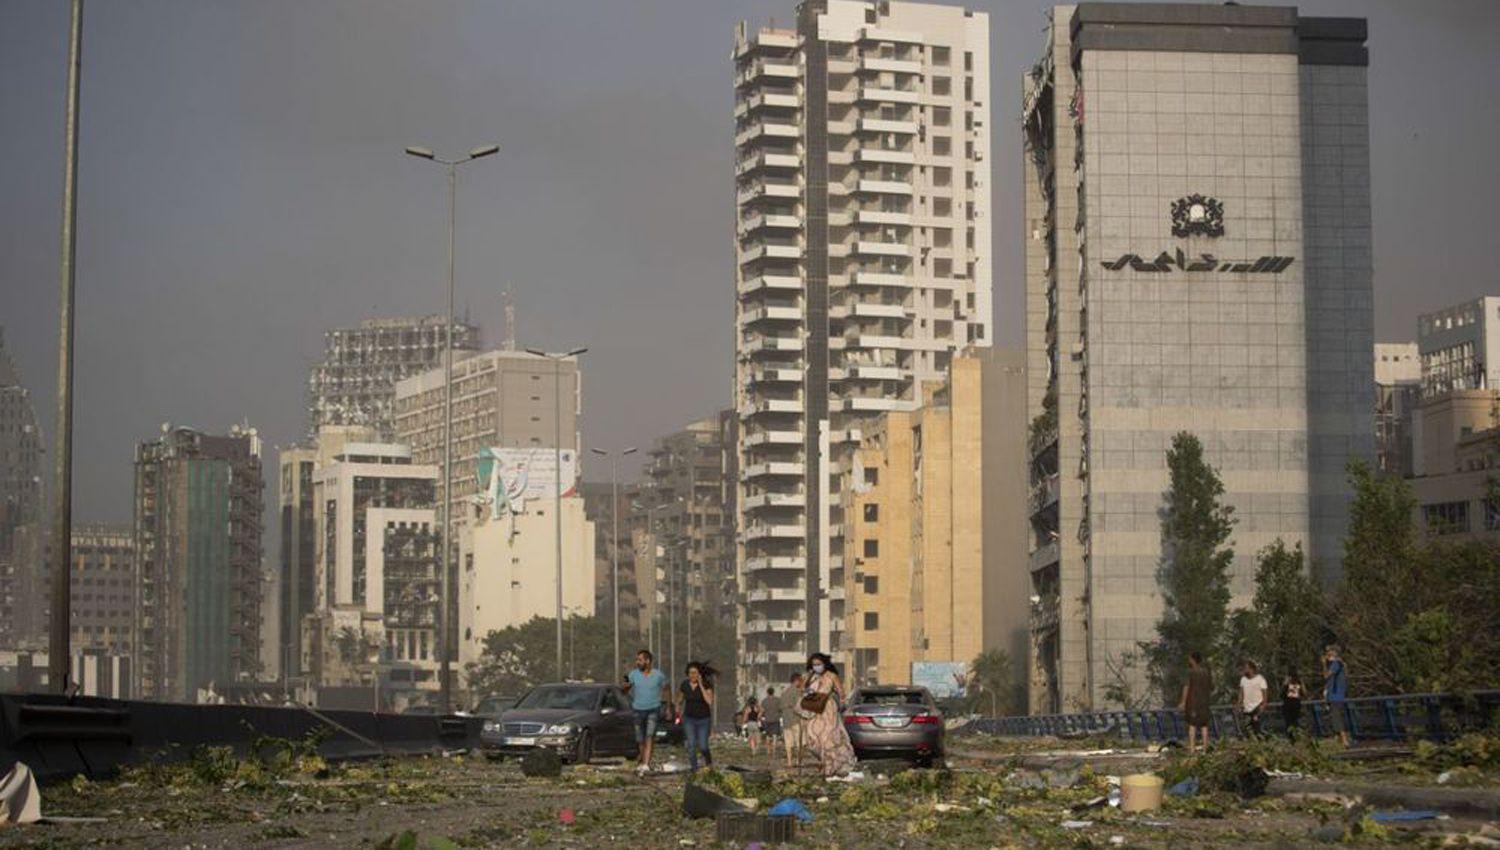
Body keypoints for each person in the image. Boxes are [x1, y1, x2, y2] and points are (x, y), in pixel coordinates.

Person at [801, 653, 857, 778]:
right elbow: (802, 689)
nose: (816, 667)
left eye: (818, 664)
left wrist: (840, 702)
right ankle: (824, 762)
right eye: (814, 664)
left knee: (829, 738)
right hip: (814, 709)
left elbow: (841, 693)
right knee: (813, 738)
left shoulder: (832, 676)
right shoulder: (810, 677)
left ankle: (830, 766)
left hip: (828, 709)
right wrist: (807, 691)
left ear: (824, 664)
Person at [622, 649, 670, 774]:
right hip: (637, 709)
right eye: (637, 660)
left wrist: (668, 706)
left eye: (640, 660)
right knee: (640, 738)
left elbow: (666, 689)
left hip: (653, 709)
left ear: (647, 661)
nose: (637, 662)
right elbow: (625, 690)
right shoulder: (633, 674)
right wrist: (625, 687)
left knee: (649, 735)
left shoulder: (658, 675)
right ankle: (643, 760)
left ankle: (646, 763)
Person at [676, 661, 716, 772]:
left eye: (695, 673)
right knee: (691, 745)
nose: (692, 675)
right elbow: (680, 698)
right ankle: (694, 769)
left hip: (703, 719)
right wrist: (677, 707)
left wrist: (701, 684)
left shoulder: (706, 684)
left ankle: (709, 762)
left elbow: (709, 701)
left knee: (703, 746)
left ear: (699, 674)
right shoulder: (684, 684)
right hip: (689, 719)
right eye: (690, 673)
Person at [1178, 651, 1212, 753]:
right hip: (1205, 702)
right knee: (1204, 725)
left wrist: (1183, 701)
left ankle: (1192, 749)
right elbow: (1210, 687)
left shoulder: (1190, 672)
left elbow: (1186, 687)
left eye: (1189, 659)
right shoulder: (1206, 672)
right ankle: (1205, 749)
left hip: (1193, 702)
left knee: (1192, 725)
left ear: (1193, 660)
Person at [1323, 645, 1350, 746]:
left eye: (1329, 652)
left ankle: (1344, 740)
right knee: (1335, 717)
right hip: (1335, 694)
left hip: (1336, 695)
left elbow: (1326, 675)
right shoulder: (1341, 664)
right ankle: (1340, 741)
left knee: (1336, 717)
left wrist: (1324, 664)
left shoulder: (1336, 663)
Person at [781, 673, 805, 769]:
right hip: (796, 720)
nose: (802, 683)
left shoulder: (784, 692)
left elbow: (781, 706)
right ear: (797, 681)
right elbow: (799, 706)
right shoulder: (797, 691)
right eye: (801, 680)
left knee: (788, 743)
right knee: (800, 743)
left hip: (786, 720)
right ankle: (799, 761)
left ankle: (789, 762)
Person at [1238, 660, 1268, 738]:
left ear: (1251, 669)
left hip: (1257, 707)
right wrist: (1239, 704)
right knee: (1247, 730)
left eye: (1246, 668)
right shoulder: (1243, 679)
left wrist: (1263, 707)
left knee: (1258, 730)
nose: (1244, 669)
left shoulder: (1260, 679)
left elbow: (1265, 695)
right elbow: (1241, 693)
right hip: (1247, 708)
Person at [1281, 671, 1305, 741]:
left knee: (1295, 722)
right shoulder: (1286, 684)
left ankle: (1296, 737)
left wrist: (1301, 683)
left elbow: (1304, 693)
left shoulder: (1299, 683)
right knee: (1289, 722)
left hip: (1296, 704)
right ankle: (1291, 737)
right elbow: (1282, 694)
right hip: (1287, 704)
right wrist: (1285, 684)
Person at [760, 685, 783, 749]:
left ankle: (768, 749)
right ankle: (774, 749)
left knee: (768, 735)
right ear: (773, 692)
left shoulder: (764, 701)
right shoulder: (778, 700)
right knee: (775, 735)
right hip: (775, 719)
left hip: (767, 719)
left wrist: (759, 717)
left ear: (767, 692)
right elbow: (780, 709)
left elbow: (762, 710)